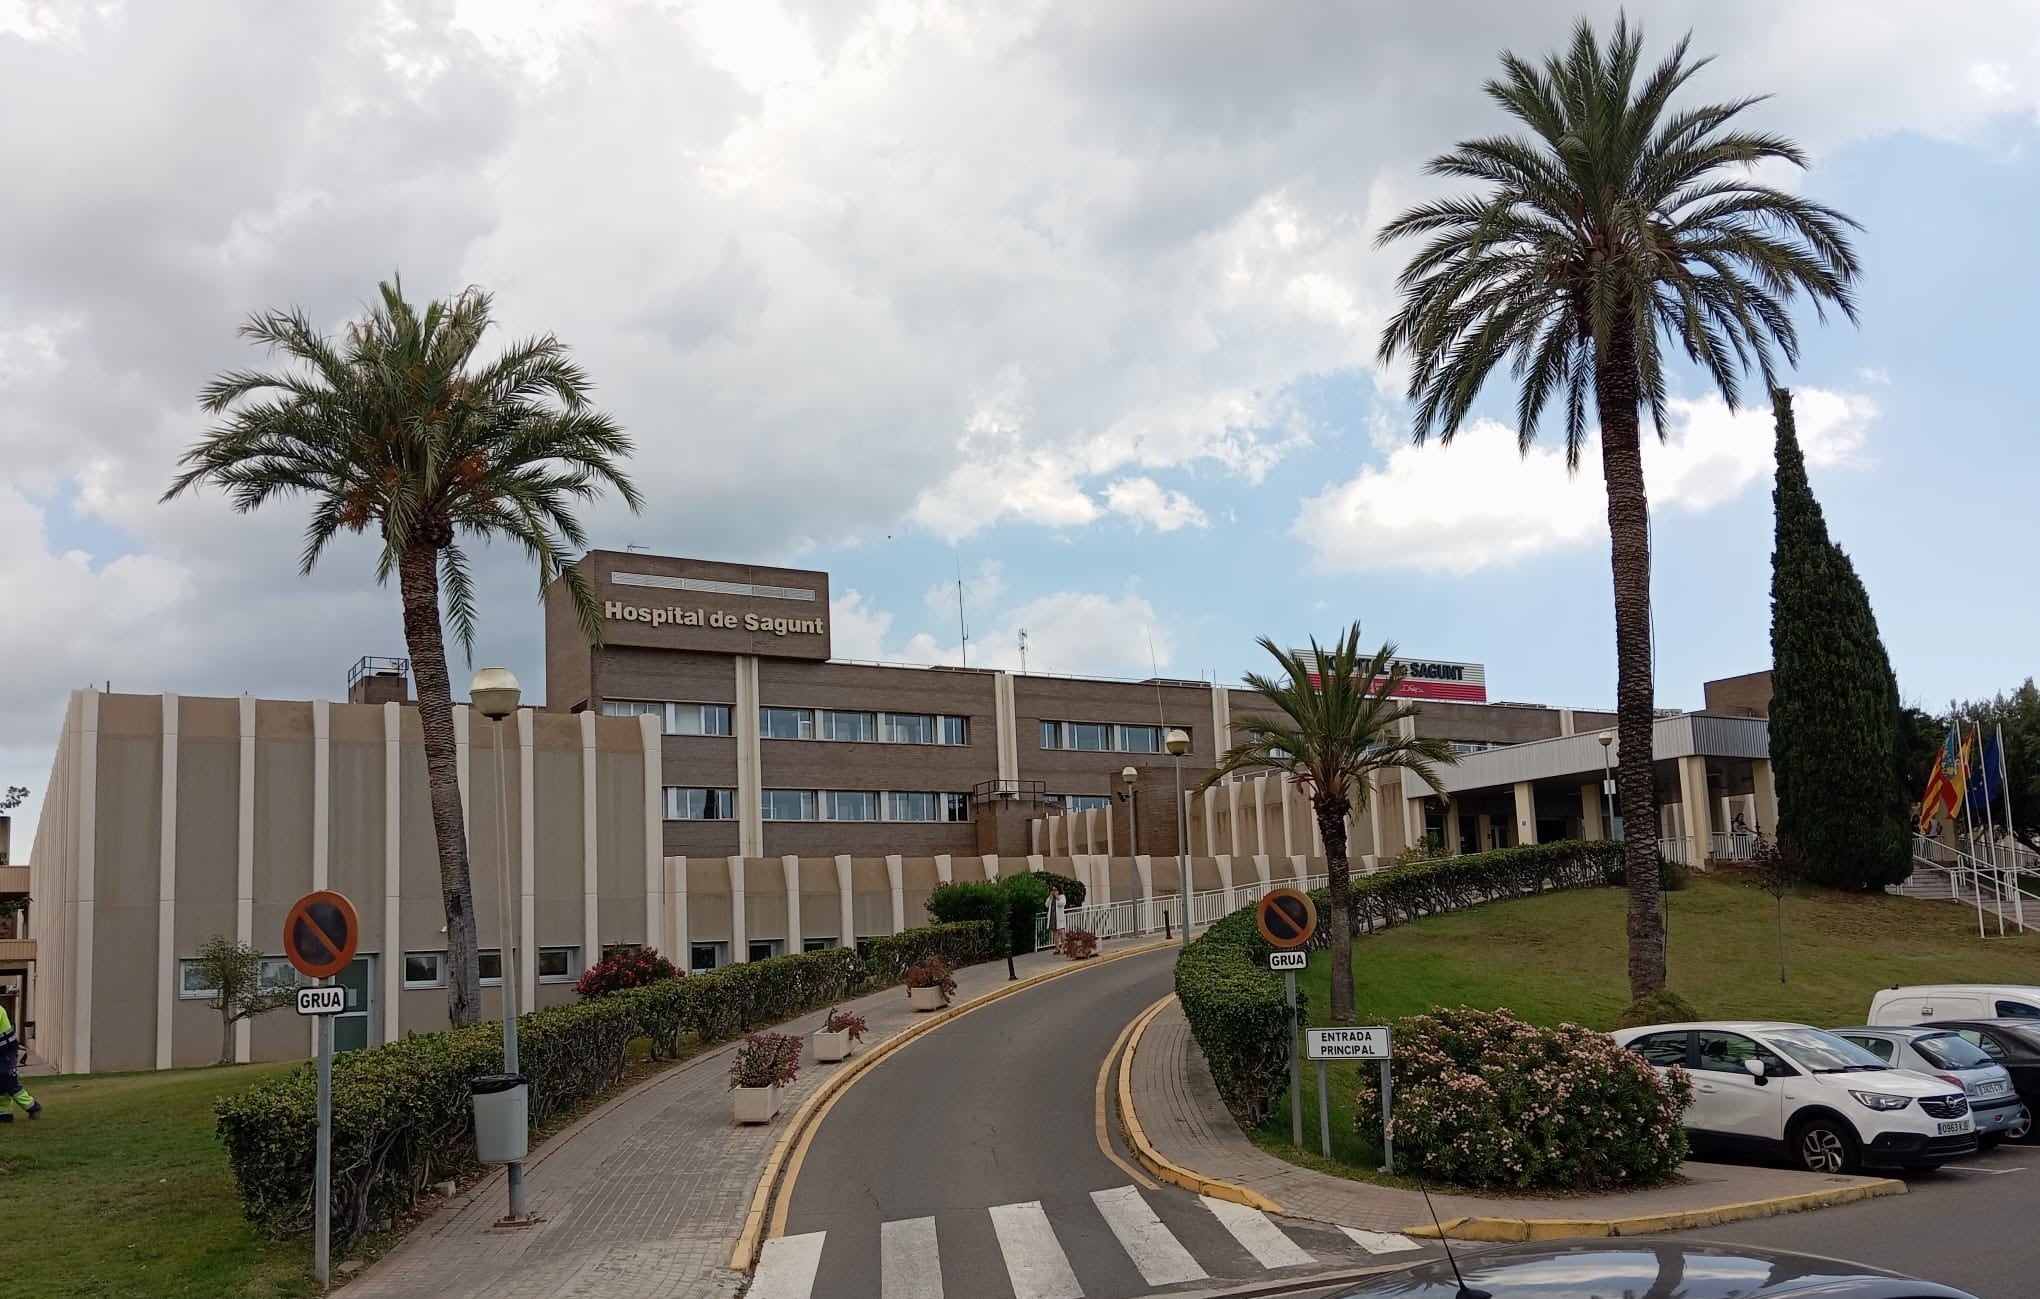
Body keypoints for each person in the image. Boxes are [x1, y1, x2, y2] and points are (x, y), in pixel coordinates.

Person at [0, 1002, 39, 1122]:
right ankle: (4, 1113)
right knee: (1, 1082)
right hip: (5, 1050)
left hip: (6, 1051)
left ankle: (32, 1106)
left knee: (8, 1080)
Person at [1049, 885, 1067, 950]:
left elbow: (1062, 903)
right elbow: (1046, 905)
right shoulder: (1051, 897)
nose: (1053, 891)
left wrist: (1057, 897)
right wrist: (1050, 898)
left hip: (1059, 918)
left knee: (1062, 933)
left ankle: (1063, 947)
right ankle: (1057, 948)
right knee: (1055, 933)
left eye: (1055, 890)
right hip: (1053, 918)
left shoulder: (1062, 896)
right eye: (1053, 890)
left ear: (1058, 890)